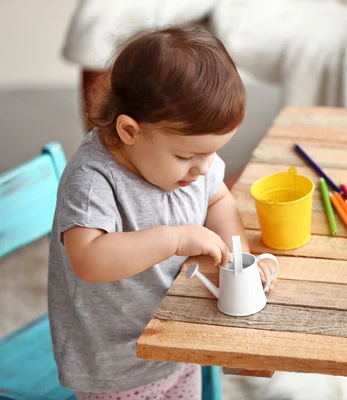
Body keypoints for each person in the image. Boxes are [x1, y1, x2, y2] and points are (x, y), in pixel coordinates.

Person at [48, 26, 276, 400]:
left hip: (175, 338)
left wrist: (237, 260)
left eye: (211, 153)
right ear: (129, 131)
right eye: (187, 156)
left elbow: (217, 199)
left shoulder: (189, 163)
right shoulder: (93, 182)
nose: (204, 168)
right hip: (119, 363)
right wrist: (176, 238)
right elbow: (88, 259)